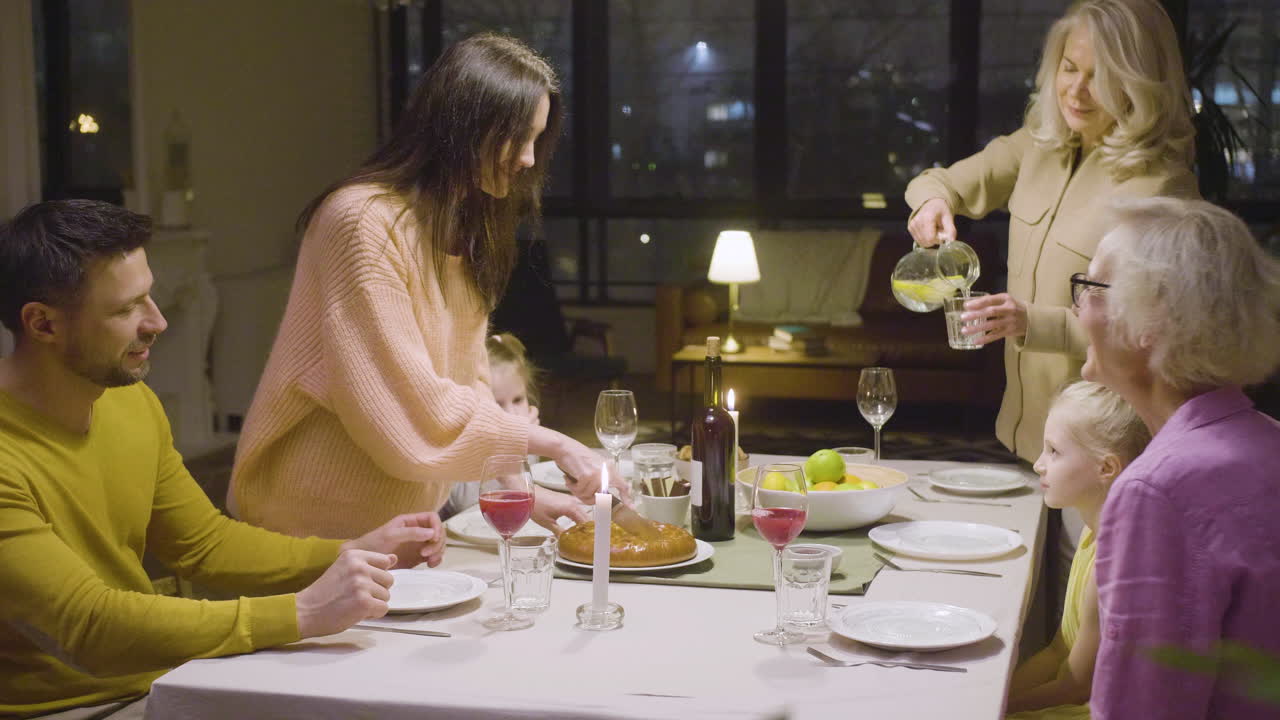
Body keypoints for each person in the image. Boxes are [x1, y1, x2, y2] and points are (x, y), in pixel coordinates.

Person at [0, 200, 447, 718]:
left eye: (150, 296)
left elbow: (204, 544)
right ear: (43, 324)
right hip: (66, 708)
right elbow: (90, 624)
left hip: (163, 681)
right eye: (126, 309)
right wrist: (302, 612)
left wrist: (353, 550)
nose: (158, 321)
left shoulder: (128, 400)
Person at [228, 33, 617, 540]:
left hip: (401, 527)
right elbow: (406, 407)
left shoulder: (460, 226)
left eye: (536, 140)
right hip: (312, 528)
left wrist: (521, 490)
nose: (527, 158)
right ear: (464, 126)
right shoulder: (363, 221)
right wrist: (556, 444)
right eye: (519, 137)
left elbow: (470, 383)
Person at [904, 0, 1198, 464]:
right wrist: (932, 203)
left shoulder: (1163, 187)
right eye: (1069, 68)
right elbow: (941, 182)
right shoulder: (1039, 145)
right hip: (1026, 438)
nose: (1077, 91)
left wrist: (1032, 322)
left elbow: (1155, 334)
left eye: (1100, 77)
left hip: (1104, 450)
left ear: (1137, 83)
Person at [1076, 196, 1280, 718]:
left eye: (1092, 288)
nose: (1077, 309)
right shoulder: (1267, 439)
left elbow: (1141, 707)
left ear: (1150, 321)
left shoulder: (1158, 490)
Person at [1006, 381, 1150, 718]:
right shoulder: (1090, 534)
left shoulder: (1113, 562)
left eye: (1053, 452)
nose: (1039, 464)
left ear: (1106, 468)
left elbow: (1077, 686)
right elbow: (1059, 650)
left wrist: (994, 710)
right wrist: (998, 694)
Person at [441, 333, 588, 529]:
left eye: (518, 400)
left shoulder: (530, 433)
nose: (512, 413)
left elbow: (523, 490)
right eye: (497, 403)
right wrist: (508, 448)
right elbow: (465, 504)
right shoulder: (460, 439)